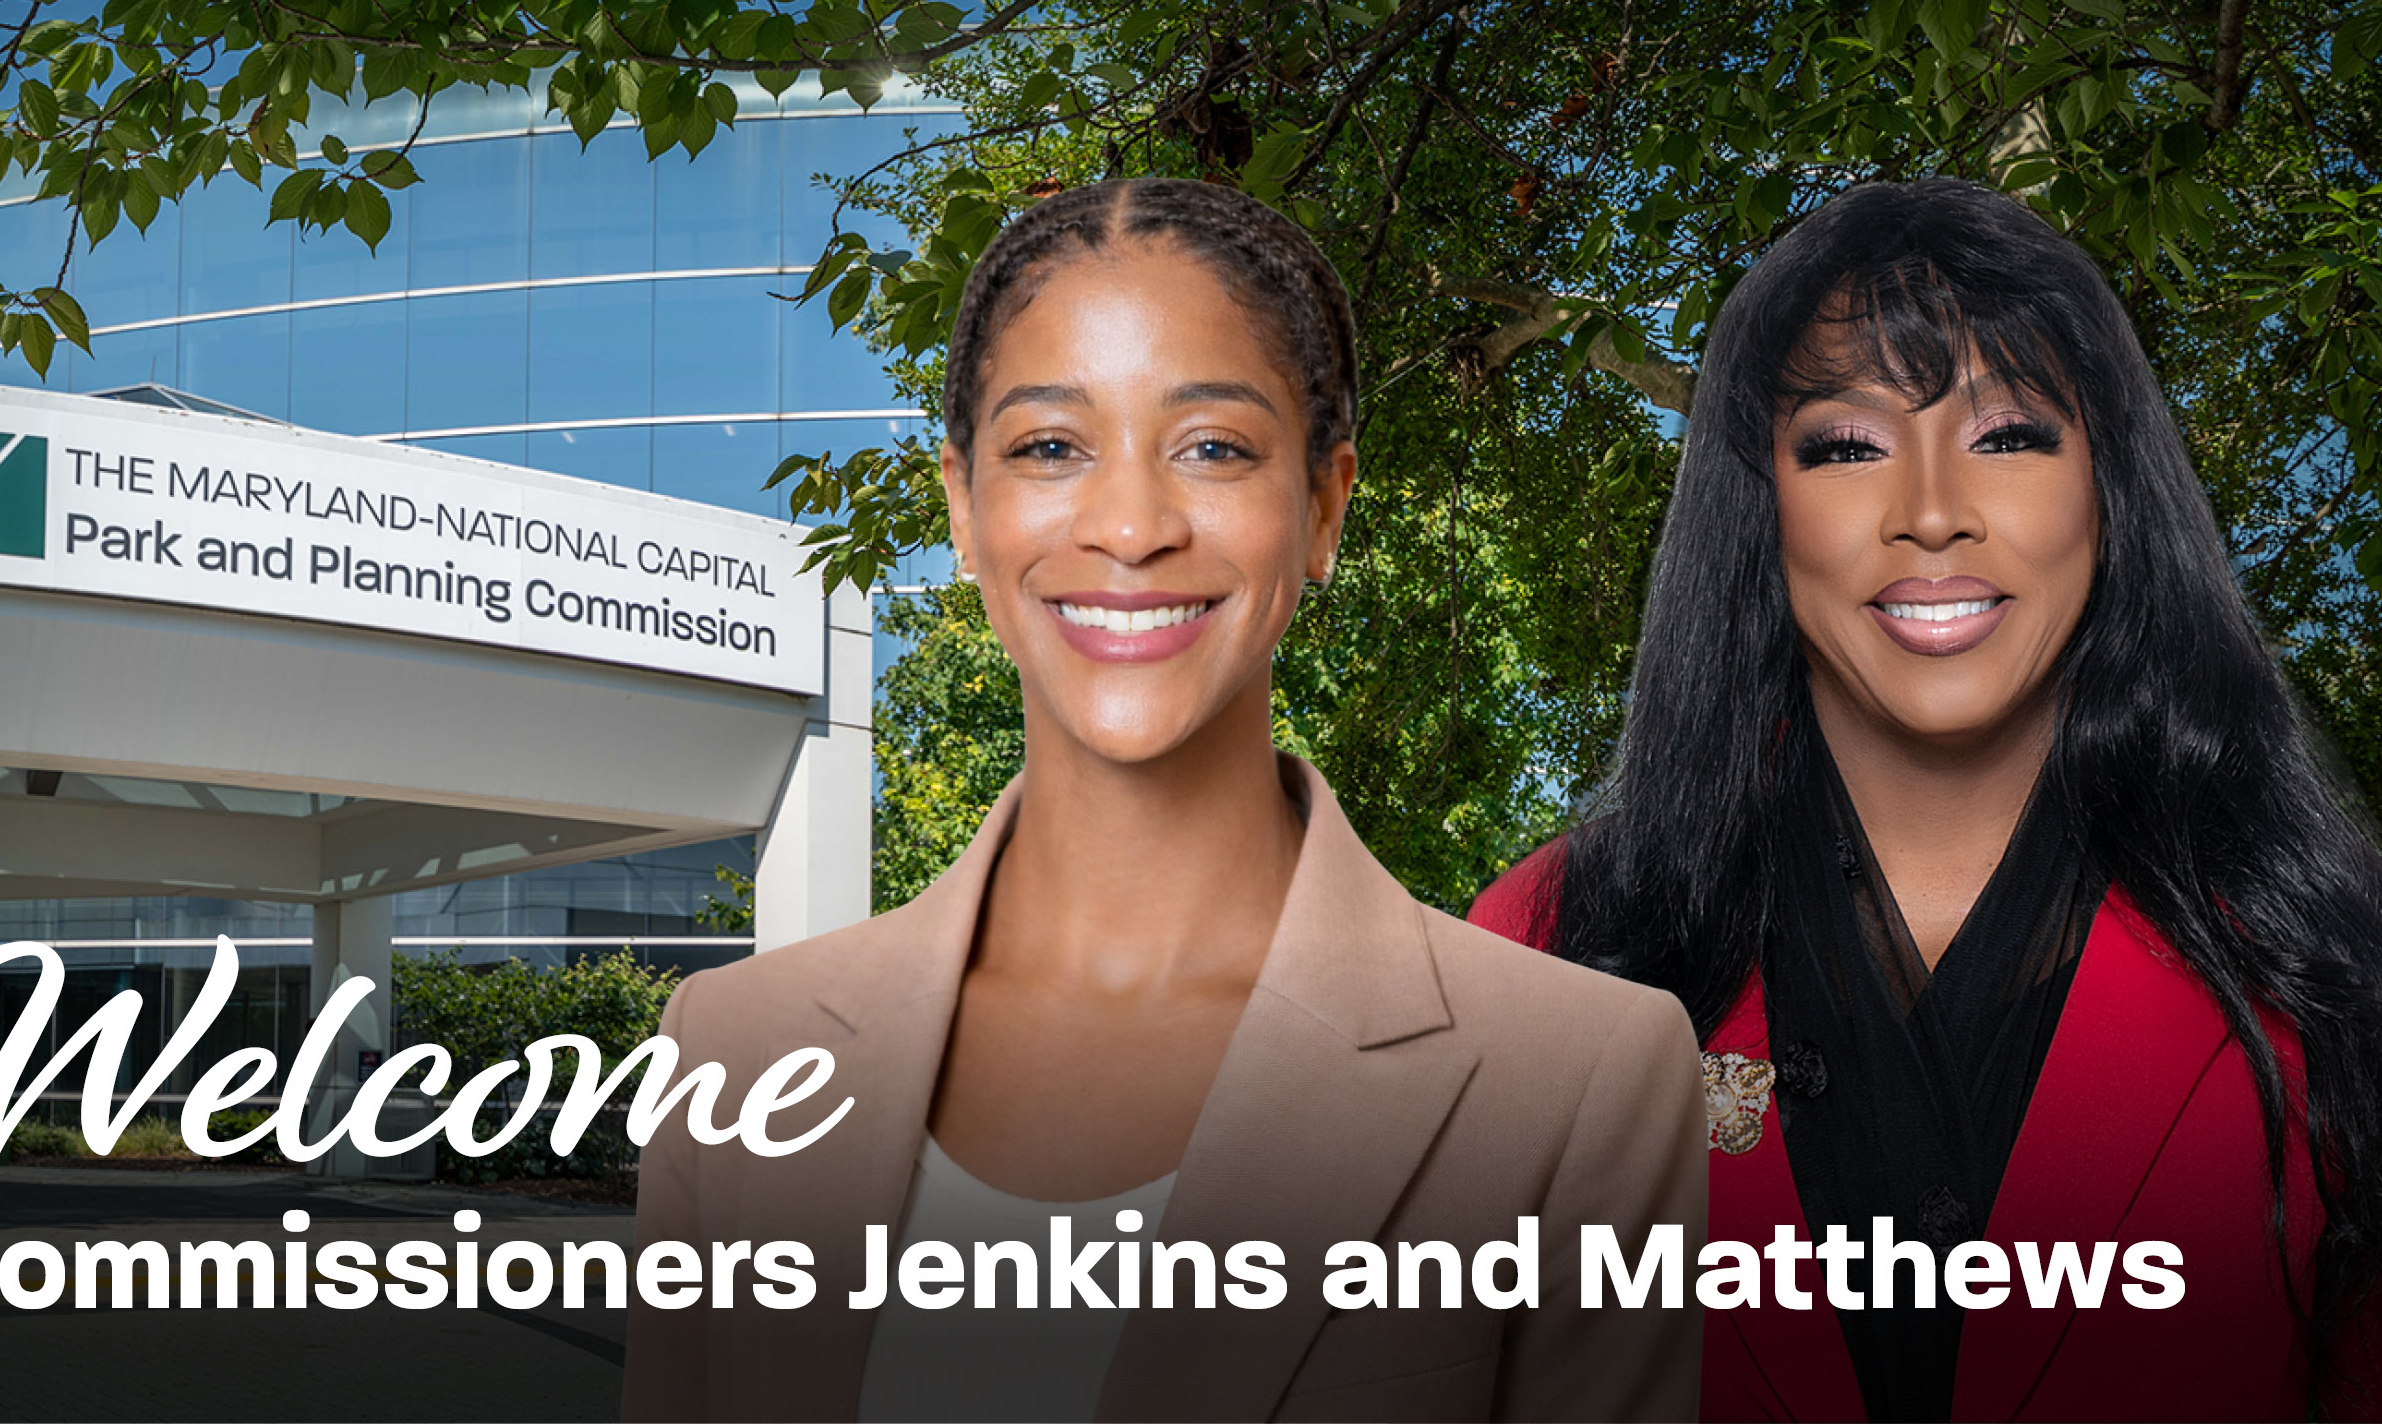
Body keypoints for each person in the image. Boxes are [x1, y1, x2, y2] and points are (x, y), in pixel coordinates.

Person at [622, 178, 1706, 1423]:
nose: (1130, 526)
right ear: (962, 512)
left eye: (1212, 448)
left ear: (1322, 506)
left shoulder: (1579, 1079)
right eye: (1047, 447)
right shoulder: (736, 1050)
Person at [1471, 176, 2382, 1420]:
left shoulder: (2319, 960)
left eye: (2007, 435)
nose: (1933, 516)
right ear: (1761, 508)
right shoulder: (1546, 943)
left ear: (2109, 489)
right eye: (1845, 447)